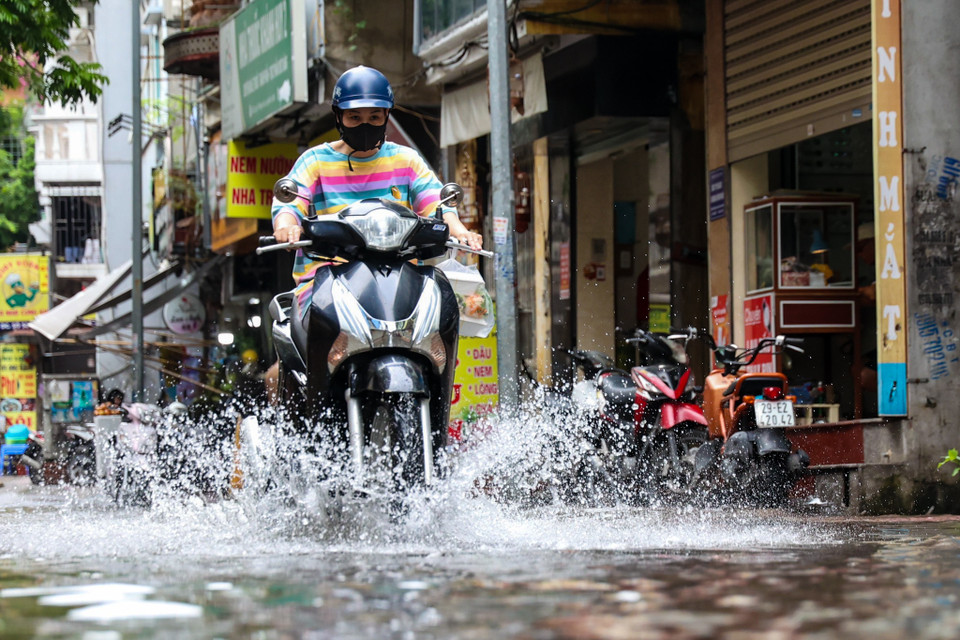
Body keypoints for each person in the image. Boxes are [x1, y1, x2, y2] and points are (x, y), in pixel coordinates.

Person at [267, 65, 483, 397]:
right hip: (326, 285)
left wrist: (458, 229)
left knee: (443, 314)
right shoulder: (314, 162)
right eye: (355, 118)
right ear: (339, 118)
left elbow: (436, 204)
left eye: (374, 116)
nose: (365, 125)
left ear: (386, 116)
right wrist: (286, 227)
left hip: (399, 288)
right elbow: (289, 204)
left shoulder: (406, 161)